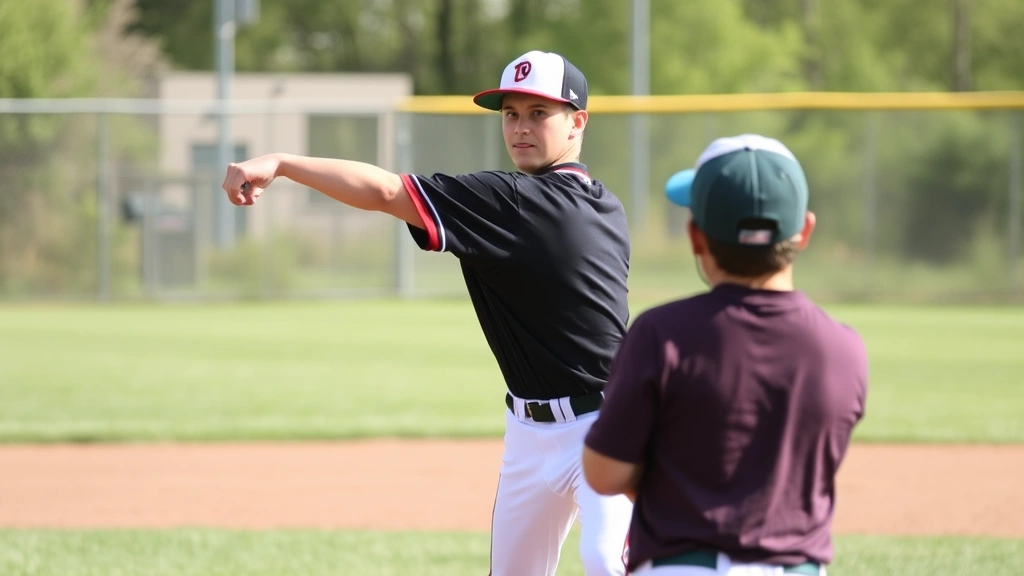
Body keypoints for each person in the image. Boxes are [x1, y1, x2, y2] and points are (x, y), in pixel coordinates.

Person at [221, 50, 634, 576]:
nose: (520, 127)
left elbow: (386, 191)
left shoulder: (513, 201)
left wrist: (282, 163)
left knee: (607, 564)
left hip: (603, 426)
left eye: (539, 113)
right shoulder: (605, 203)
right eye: (510, 113)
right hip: (529, 430)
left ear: (578, 122)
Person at [581, 134, 869, 576]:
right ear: (805, 230)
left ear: (696, 236)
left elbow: (604, 473)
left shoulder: (661, 333)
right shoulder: (843, 348)